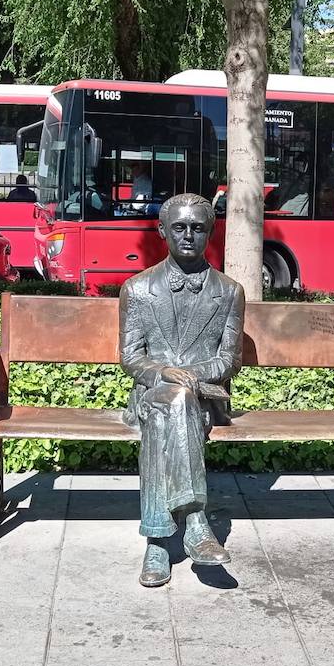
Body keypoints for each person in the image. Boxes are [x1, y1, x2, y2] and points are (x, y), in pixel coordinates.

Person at [119, 194, 243, 587]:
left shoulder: (229, 291)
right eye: (179, 227)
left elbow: (229, 360)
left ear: (210, 231)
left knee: (174, 405)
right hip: (152, 391)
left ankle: (158, 542)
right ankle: (194, 522)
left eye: (198, 227)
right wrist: (166, 373)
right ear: (162, 232)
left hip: (204, 398)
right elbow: (130, 358)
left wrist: (187, 375)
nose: (188, 235)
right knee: (169, 402)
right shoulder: (136, 289)